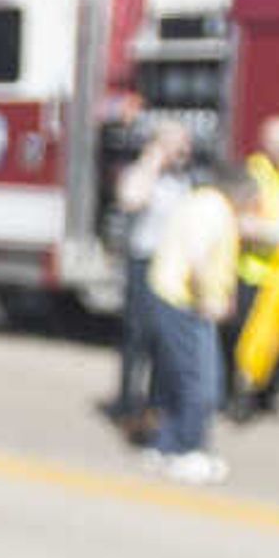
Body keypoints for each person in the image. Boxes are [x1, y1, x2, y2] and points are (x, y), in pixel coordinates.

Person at [140, 163, 248, 483]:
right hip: (185, 302)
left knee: (178, 378)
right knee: (200, 380)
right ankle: (188, 451)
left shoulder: (199, 201)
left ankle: (165, 446)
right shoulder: (214, 209)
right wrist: (207, 298)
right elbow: (198, 257)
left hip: (170, 296)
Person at [105, 115, 196, 443]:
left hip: (175, 268)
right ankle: (128, 403)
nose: (182, 150)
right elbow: (131, 199)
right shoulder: (142, 174)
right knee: (138, 336)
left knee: (165, 339)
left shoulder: (184, 180)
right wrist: (152, 161)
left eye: (184, 144)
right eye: (176, 143)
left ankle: (158, 407)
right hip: (145, 263)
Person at [226, 114, 279, 419]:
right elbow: (240, 223)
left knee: (275, 339)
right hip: (252, 272)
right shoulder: (252, 173)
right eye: (278, 144)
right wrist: (275, 233)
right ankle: (237, 397)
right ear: (264, 142)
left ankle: (264, 393)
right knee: (243, 340)